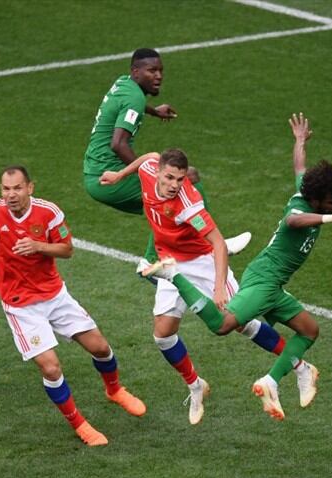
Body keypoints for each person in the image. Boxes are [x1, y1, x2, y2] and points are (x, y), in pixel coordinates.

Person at [143, 114, 332, 422]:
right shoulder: (302, 208)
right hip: (263, 278)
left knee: (310, 330)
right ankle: (175, 276)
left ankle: (280, 378)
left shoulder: (308, 191)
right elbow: (292, 221)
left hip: (274, 284)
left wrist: (300, 140)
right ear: (317, 201)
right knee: (222, 325)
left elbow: (300, 167)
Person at [102, 148, 319, 425]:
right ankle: (196, 386)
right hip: (170, 262)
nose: (174, 185)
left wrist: (218, 289)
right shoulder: (148, 170)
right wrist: (120, 175)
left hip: (203, 261)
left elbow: (217, 244)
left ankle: (301, 367)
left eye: (180, 180)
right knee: (163, 335)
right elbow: (148, 157)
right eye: (169, 177)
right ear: (158, 172)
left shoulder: (189, 205)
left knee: (240, 323)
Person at [0, 166, 146, 446]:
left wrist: (39, 246)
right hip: (21, 306)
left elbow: (67, 249)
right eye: (6, 189)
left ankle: (114, 390)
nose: (11, 195)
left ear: (30, 187)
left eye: (17, 188)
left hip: (55, 296)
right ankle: (80, 425)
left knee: (100, 348)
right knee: (51, 369)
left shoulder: (49, 213)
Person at [83, 48, 251, 264]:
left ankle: (167, 257)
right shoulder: (134, 97)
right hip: (109, 176)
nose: (159, 76)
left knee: (167, 202)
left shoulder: (124, 84)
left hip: (95, 173)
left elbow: (128, 105)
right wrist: (149, 172)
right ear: (136, 72)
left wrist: (155, 111)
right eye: (152, 71)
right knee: (186, 181)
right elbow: (118, 144)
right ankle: (208, 245)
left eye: (160, 70)